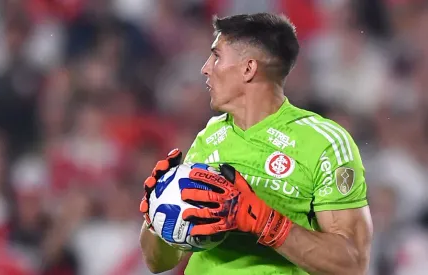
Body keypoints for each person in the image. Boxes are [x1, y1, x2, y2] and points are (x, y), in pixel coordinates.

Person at [139, 12, 373, 275]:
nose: (204, 68)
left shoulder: (324, 143)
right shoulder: (209, 136)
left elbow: (353, 264)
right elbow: (157, 263)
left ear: (248, 68)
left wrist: (266, 223)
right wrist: (157, 214)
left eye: (216, 56)